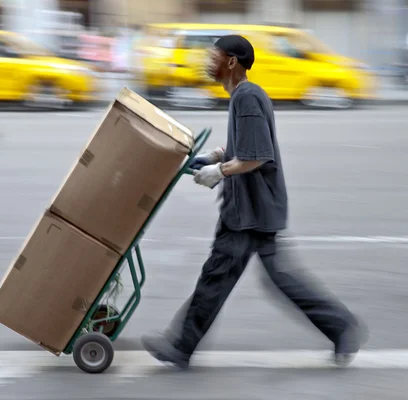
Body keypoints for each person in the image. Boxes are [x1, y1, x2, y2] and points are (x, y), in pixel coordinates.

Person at [141, 34, 368, 369]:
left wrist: (219, 170)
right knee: (268, 277)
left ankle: (181, 346)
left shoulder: (246, 97)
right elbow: (246, 147)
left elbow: (257, 156)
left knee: (217, 276)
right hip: (254, 209)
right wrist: (217, 155)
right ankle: (341, 327)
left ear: (231, 62)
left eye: (213, 56)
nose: (207, 62)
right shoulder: (243, 96)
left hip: (250, 210)